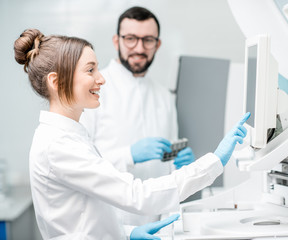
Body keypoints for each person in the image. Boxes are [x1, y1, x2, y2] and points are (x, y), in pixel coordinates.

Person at [14, 28, 250, 240]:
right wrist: (215, 161)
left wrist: (127, 234)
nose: (101, 78)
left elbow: (86, 216)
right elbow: (136, 195)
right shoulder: (59, 145)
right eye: (90, 70)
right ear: (56, 81)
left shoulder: (69, 136)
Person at [80, 6, 196, 225]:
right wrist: (129, 155)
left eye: (148, 40)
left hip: (157, 224)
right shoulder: (93, 90)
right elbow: (81, 167)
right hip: (108, 225)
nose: (139, 48)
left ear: (157, 44)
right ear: (117, 41)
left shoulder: (164, 96)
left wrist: (181, 168)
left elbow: (167, 165)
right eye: (131, 38)